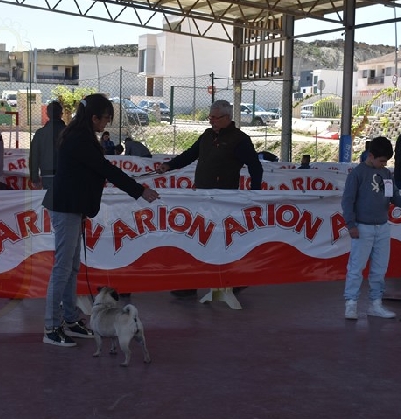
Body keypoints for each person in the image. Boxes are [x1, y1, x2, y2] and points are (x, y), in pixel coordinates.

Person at [41, 93, 159, 347]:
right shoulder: (80, 139)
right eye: (106, 119)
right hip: (66, 207)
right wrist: (139, 191)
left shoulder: (80, 136)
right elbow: (105, 169)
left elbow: (95, 171)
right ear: (94, 117)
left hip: (72, 206)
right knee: (62, 268)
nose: (106, 124)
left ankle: (70, 319)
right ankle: (51, 327)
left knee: (71, 267)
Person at [156, 99, 263, 298]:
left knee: (222, 241)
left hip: (224, 199)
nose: (211, 120)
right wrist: (169, 165)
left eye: (215, 117)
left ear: (227, 118)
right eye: (210, 117)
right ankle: (192, 283)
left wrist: (255, 193)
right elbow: (190, 154)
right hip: (201, 197)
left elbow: (256, 167)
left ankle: (234, 280)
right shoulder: (206, 136)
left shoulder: (240, 140)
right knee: (196, 240)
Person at [342, 136, 401, 320]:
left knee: (379, 269)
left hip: (383, 227)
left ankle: (375, 304)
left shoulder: (386, 174)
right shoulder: (357, 174)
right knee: (356, 268)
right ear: (371, 156)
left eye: (386, 162)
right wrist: (351, 224)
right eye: (382, 161)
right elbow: (347, 201)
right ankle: (351, 304)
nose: (384, 164)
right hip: (362, 228)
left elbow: (393, 196)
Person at [29, 101, 66, 190]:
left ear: (47, 114)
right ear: (61, 114)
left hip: (47, 174)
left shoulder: (40, 133)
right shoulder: (69, 132)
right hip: (66, 174)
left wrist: (34, 178)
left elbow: (34, 156)